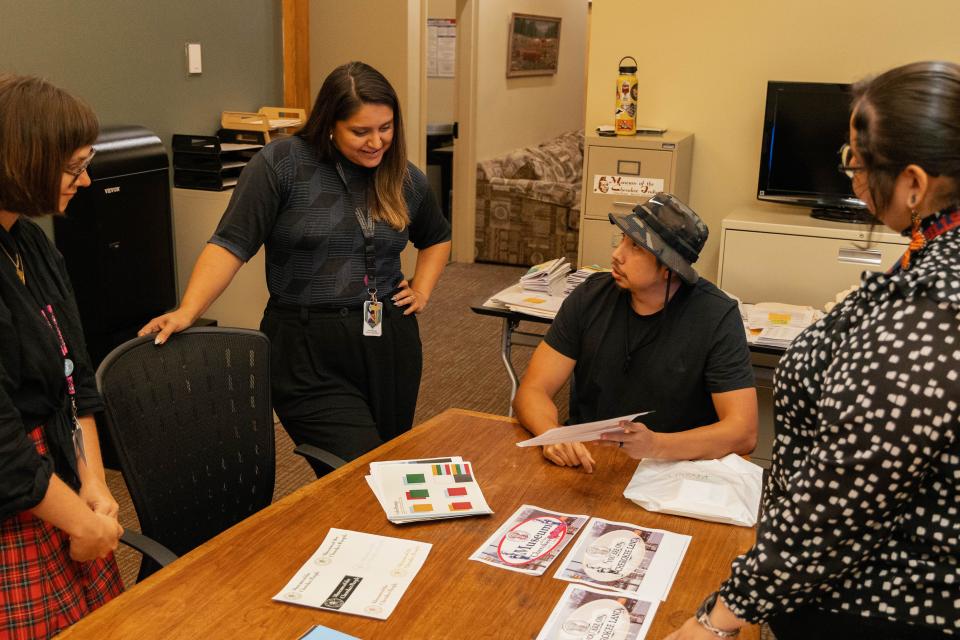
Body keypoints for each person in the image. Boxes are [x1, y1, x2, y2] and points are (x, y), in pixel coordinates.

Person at [665, 61, 960, 640]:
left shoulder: (935, 309)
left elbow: (841, 504)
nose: (851, 175)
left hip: (877, 603)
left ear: (915, 184)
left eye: (857, 159)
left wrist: (717, 620)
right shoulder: (931, 252)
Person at [140, 62, 451, 473]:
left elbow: (436, 237)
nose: (377, 142)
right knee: (360, 473)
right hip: (305, 347)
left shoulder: (402, 176)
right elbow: (230, 244)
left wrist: (423, 289)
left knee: (388, 469)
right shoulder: (282, 163)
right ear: (329, 124)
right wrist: (188, 310)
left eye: (386, 128)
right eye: (361, 131)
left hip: (388, 340)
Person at [0, 75, 124, 638]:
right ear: (20, 162)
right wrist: (82, 521)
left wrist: (93, 482)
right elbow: (2, 450)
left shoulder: (32, 245)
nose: (86, 179)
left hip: (57, 478)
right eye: (74, 167)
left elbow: (76, 376)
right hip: (17, 496)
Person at [513, 193, 757, 473]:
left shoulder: (715, 315)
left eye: (637, 247)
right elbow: (532, 390)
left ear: (669, 269)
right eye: (622, 239)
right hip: (589, 461)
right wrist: (551, 435)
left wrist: (656, 445)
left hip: (677, 468)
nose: (617, 254)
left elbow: (743, 432)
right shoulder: (590, 295)